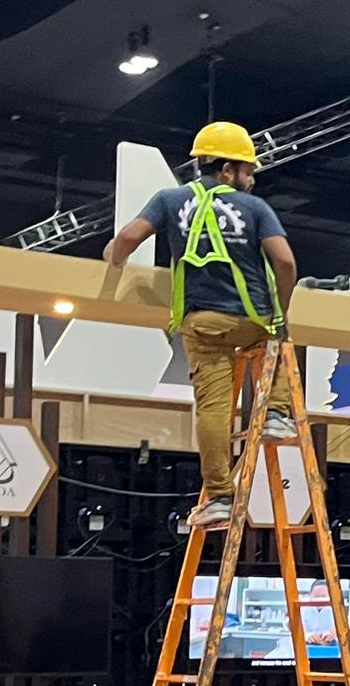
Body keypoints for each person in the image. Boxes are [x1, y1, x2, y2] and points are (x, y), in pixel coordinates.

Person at [102, 122, 298, 531]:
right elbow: (284, 262)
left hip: (202, 323)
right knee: (279, 339)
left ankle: (220, 499)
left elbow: (128, 239)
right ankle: (277, 413)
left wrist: (113, 259)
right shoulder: (255, 209)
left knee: (212, 409)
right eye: (247, 170)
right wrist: (280, 312)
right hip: (253, 319)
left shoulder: (169, 200)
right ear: (226, 169)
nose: (252, 178)